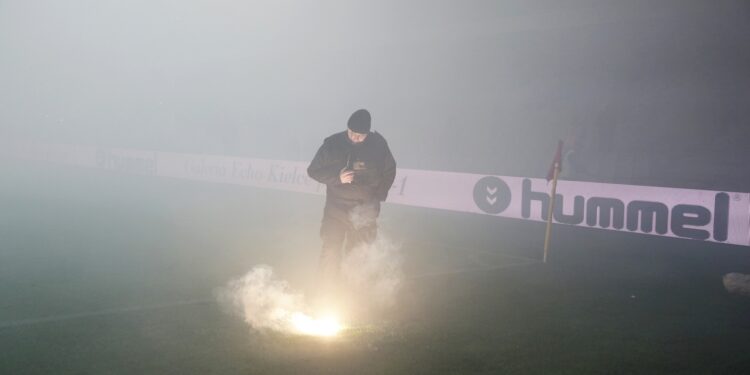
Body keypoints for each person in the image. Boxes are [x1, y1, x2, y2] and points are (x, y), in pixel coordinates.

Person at [307, 109, 397, 292]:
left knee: (358, 253)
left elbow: (390, 171)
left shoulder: (379, 145)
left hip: (365, 210)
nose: (355, 138)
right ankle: (325, 291)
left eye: (360, 135)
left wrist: (377, 196)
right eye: (351, 133)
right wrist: (337, 177)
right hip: (336, 209)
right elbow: (313, 170)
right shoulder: (332, 144)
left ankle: (352, 294)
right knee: (331, 250)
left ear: (368, 133)